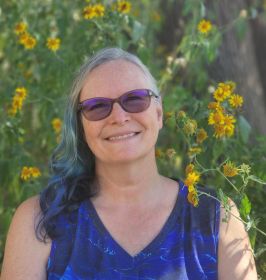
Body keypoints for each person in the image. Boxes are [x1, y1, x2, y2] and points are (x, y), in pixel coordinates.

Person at [1, 48, 257, 280]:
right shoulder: (41, 221)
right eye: (97, 107)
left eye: (134, 99)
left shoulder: (216, 217)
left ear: (158, 114)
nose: (119, 117)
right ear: (81, 126)